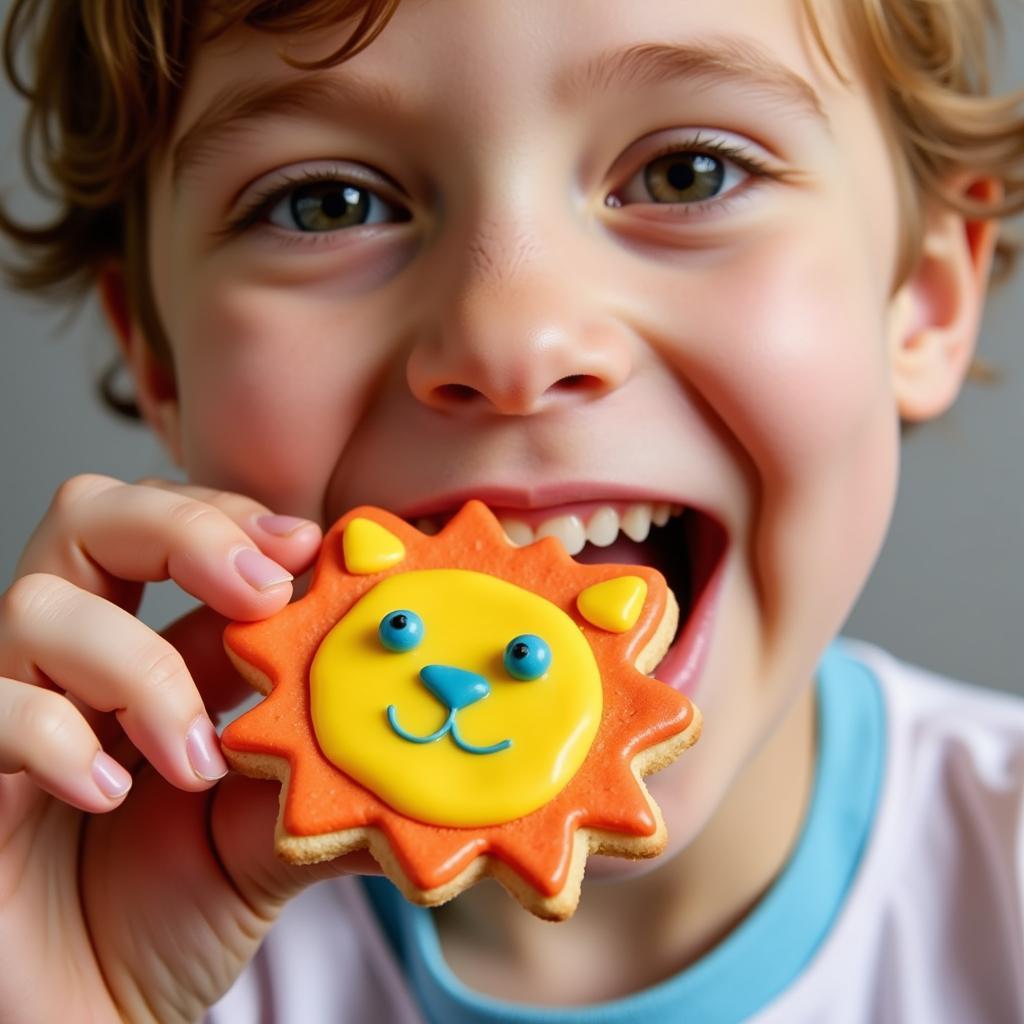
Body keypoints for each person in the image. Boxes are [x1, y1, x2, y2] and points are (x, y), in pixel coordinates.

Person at [1, 0, 1022, 1020]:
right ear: (161, 359)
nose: (511, 338)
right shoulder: (78, 910)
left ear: (923, 295)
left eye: (687, 173)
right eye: (325, 204)